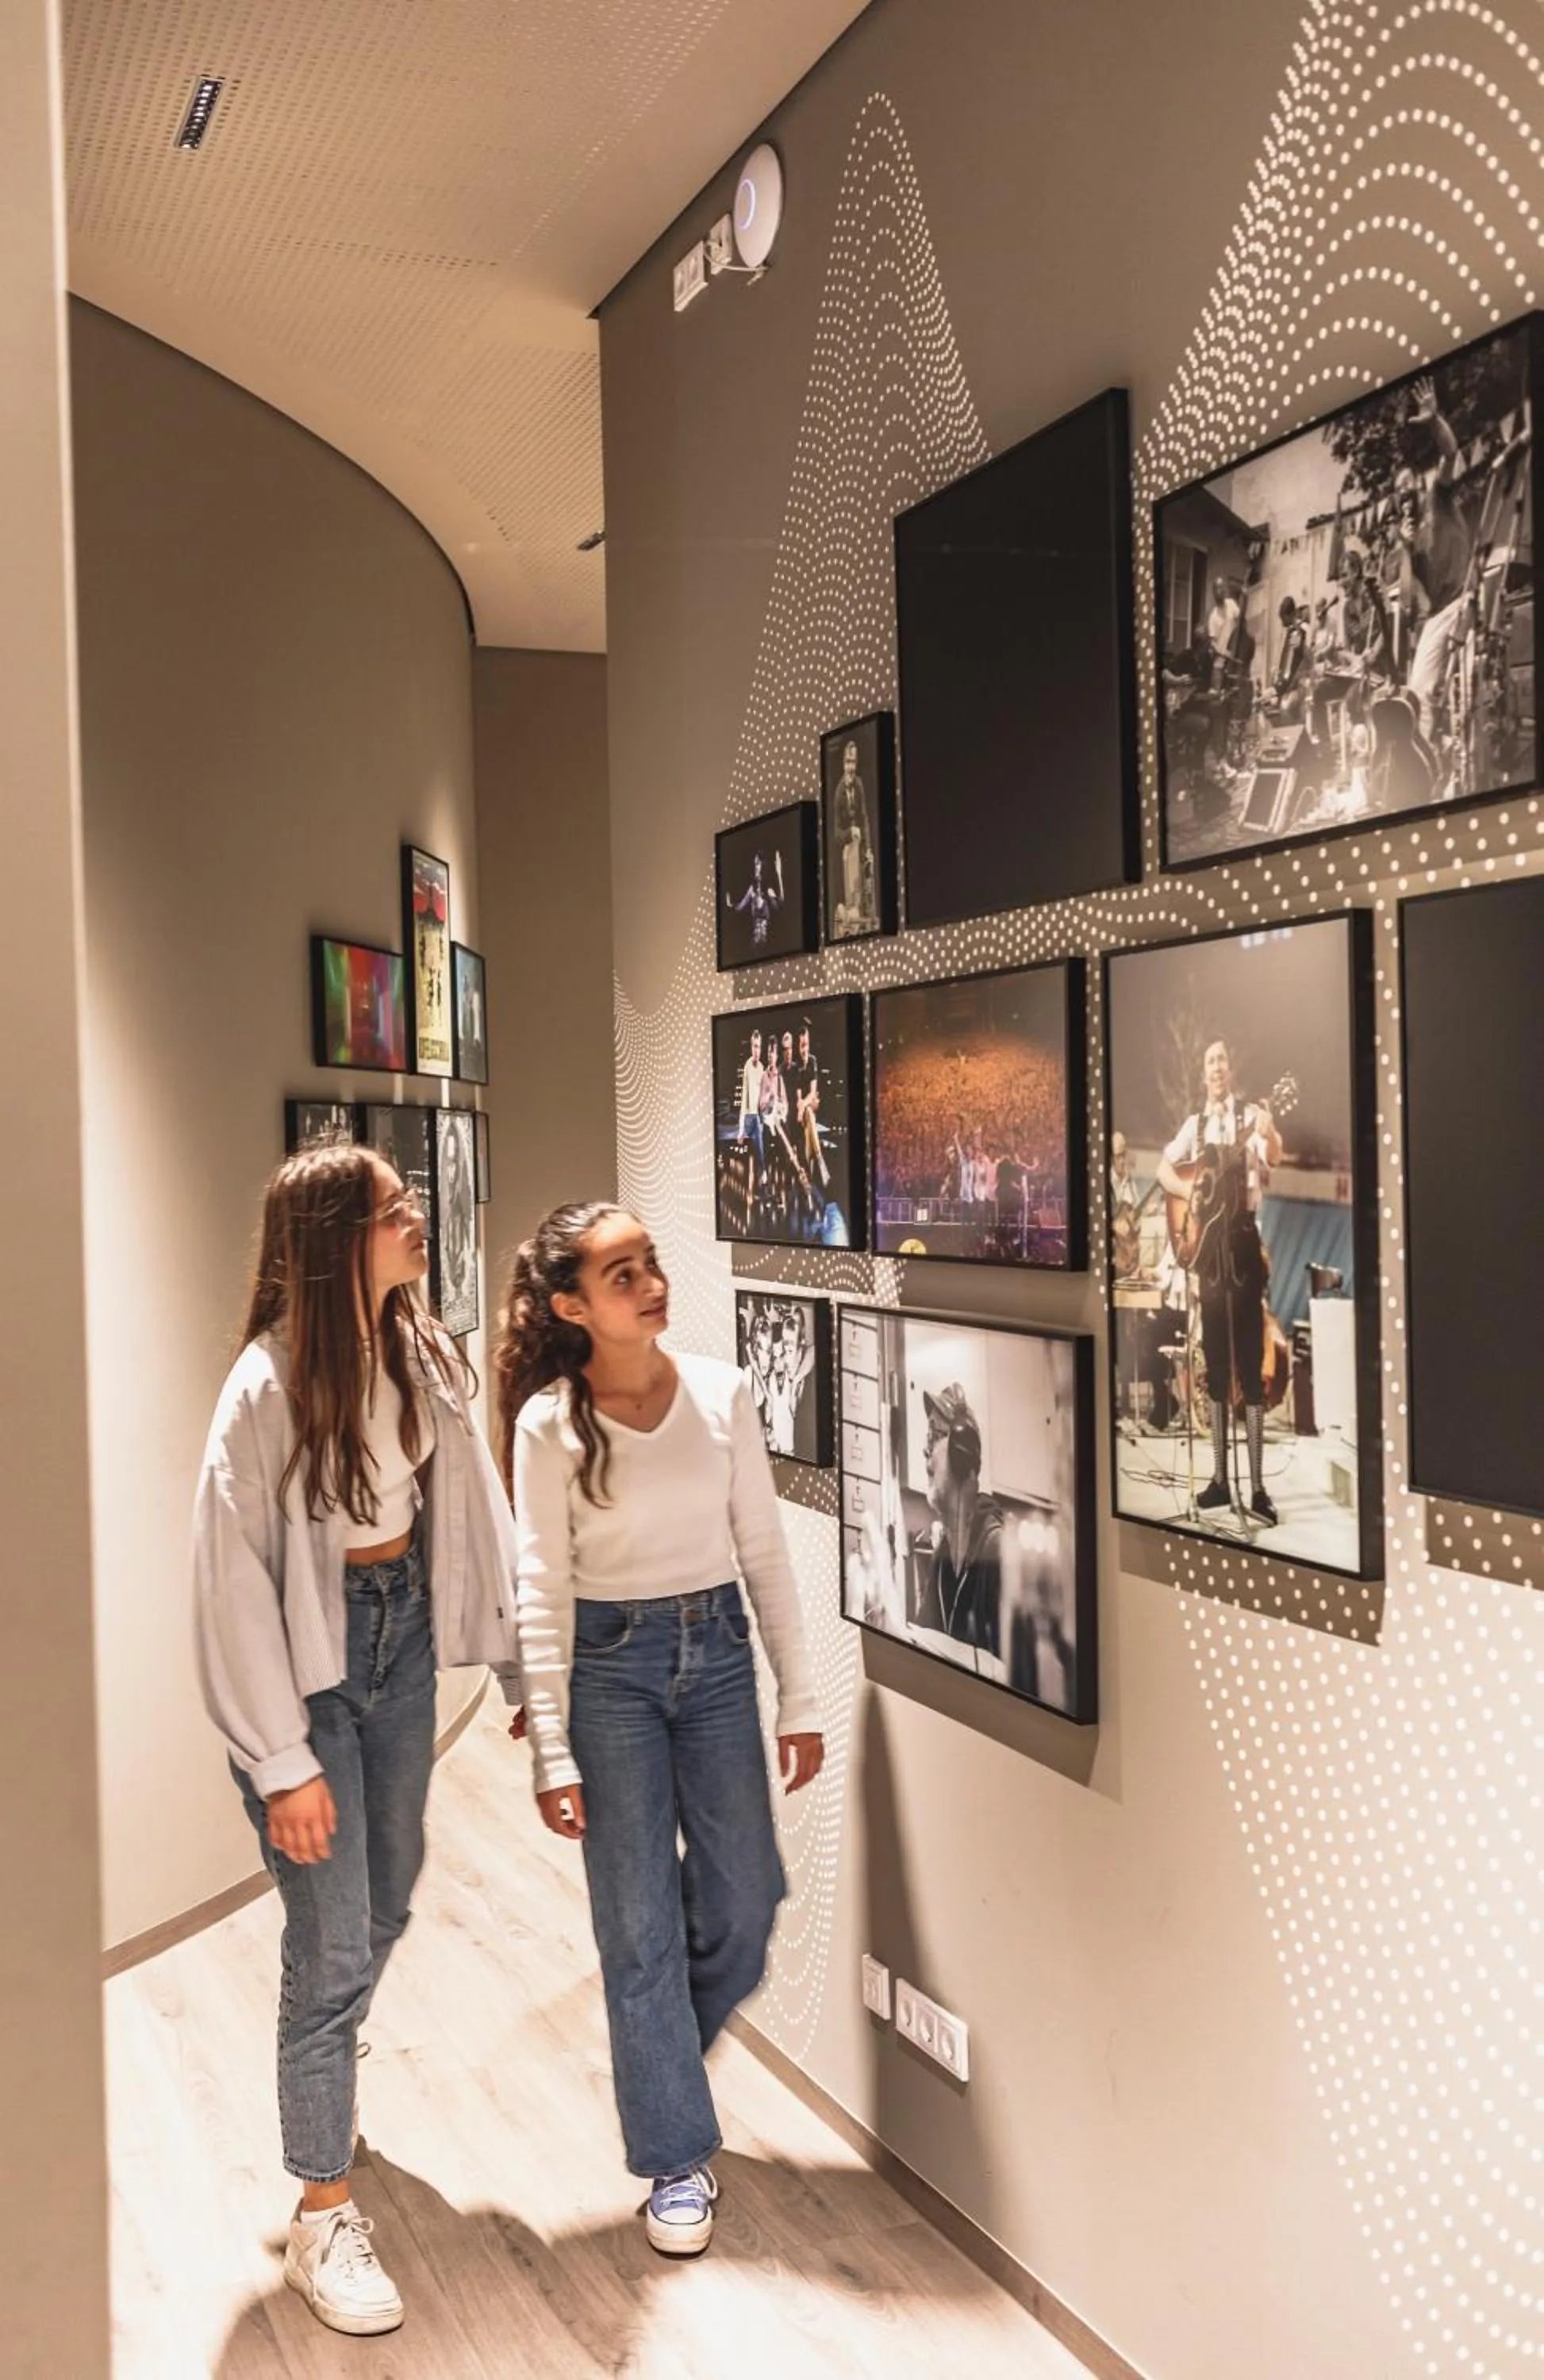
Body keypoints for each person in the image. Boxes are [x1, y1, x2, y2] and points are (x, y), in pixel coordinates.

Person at [193, 1145, 522, 2337]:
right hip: (311, 1674)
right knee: (333, 1948)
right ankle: (322, 2206)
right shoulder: (265, 1388)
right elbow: (228, 1590)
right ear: (337, 1239)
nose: (416, 1217)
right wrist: (280, 1762)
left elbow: (468, 1514)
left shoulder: (416, 1345)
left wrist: (514, 1657)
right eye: (395, 1209)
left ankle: (319, 2071)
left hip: (399, 1644)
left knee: (384, 1907)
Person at [497, 1203, 824, 2259]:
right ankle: (674, 2158)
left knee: (746, 1897)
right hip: (608, 1674)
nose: (647, 1283)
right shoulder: (548, 1422)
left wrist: (800, 1697)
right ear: (570, 1306)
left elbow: (765, 1556)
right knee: (634, 1927)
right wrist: (550, 1746)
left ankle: (657, 2058)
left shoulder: (724, 1392)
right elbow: (539, 1589)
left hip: (717, 1653)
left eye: (648, 1264)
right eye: (619, 1272)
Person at [1156, 1039, 1283, 1526]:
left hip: (1245, 1249)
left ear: (1231, 1070)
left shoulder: (1250, 1117)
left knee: (1250, 1366)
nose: (1216, 1068)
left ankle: (1256, 1486)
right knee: (1214, 1362)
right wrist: (1193, 1189)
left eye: (1222, 1061)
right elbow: (1166, 1169)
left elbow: (1274, 1155)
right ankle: (1218, 1479)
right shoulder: (1196, 1126)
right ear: (1202, 1072)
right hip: (1209, 1256)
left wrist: (1269, 1134)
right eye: (1209, 1062)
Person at [912, 1382, 1003, 1654]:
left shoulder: (996, 1550)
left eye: (934, 1436)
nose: (925, 1451)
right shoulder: (943, 1556)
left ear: (961, 1454)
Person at [830, 739, 875, 936]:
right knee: (851, 905)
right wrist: (850, 833)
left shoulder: (859, 784)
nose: (851, 767)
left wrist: (869, 849)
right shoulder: (838, 793)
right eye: (848, 762)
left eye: (854, 762)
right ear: (843, 763)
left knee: (867, 894)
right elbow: (836, 835)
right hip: (847, 855)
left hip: (860, 849)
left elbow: (865, 817)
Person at [724, 846, 784, 950]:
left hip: (764, 934)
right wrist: (731, 905)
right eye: (755, 864)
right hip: (760, 934)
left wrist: (779, 874)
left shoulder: (764, 889)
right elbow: (740, 907)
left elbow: (780, 901)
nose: (755, 867)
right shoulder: (754, 890)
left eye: (757, 863)